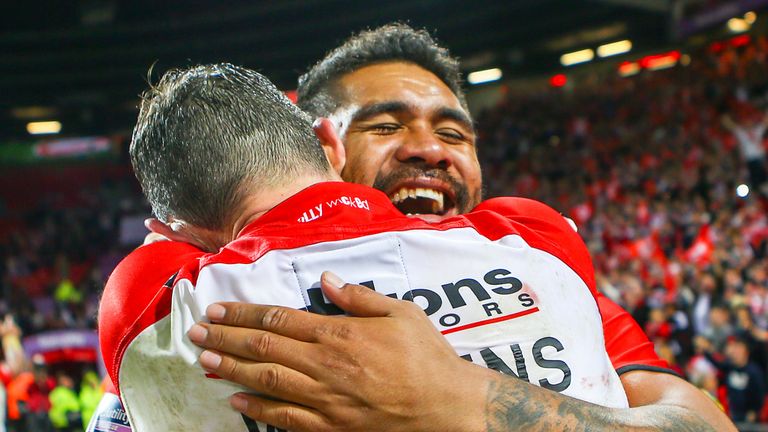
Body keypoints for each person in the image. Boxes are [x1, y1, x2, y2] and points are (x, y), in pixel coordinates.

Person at [181, 24, 736, 431]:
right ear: (323, 152)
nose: (429, 150)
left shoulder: (546, 289)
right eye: (386, 124)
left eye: (454, 135)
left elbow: (700, 424)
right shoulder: (206, 313)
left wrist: (461, 401)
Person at [98, 62, 632, 431]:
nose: (428, 150)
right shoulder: (536, 240)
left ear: (172, 232)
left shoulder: (157, 308)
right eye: (386, 125)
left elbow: (148, 278)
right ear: (331, 144)